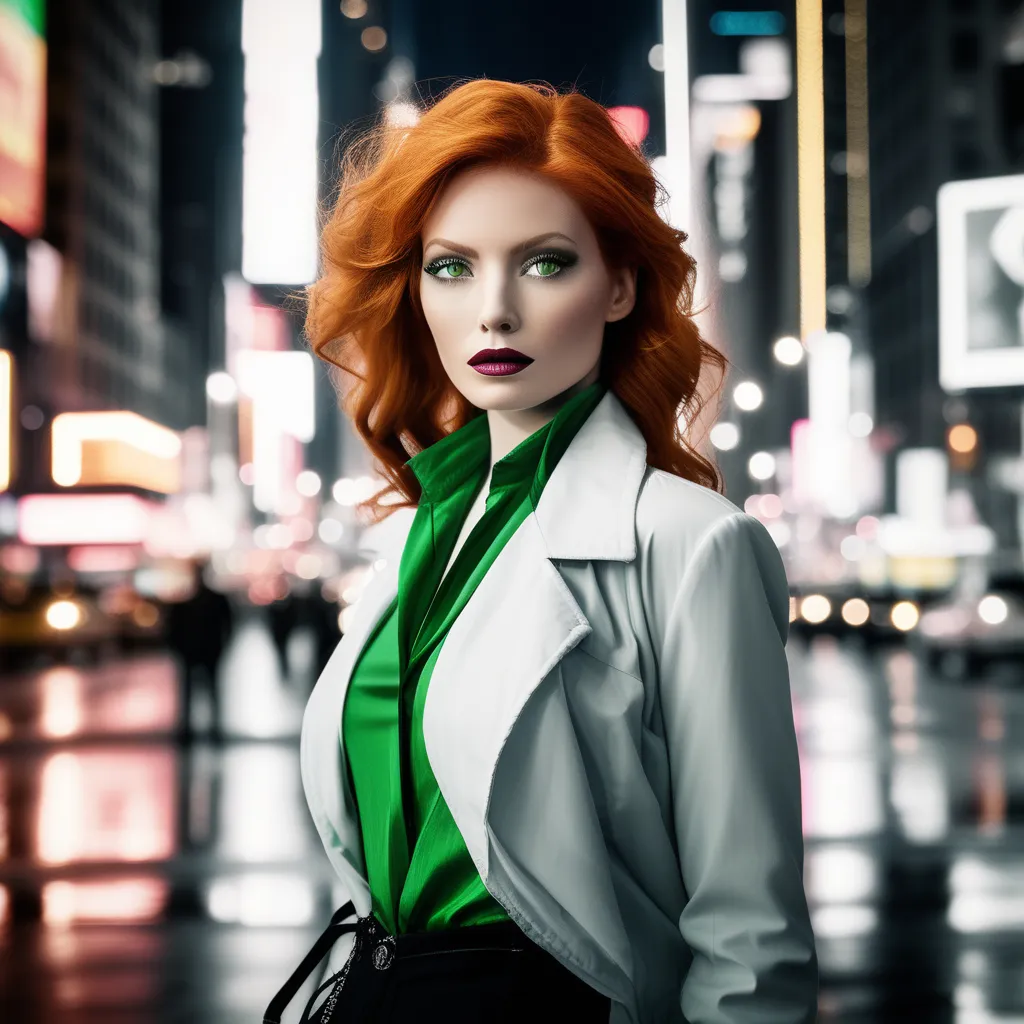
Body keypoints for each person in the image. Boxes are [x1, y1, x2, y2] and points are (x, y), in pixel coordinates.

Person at [266, 80, 818, 1024]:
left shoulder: (689, 544)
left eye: (545, 263)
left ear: (620, 286)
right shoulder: (414, 538)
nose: (494, 311)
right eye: (452, 267)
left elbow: (750, 937)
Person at [164, 561, 233, 743]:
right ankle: (204, 729)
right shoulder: (210, 600)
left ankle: (196, 730)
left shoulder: (189, 601)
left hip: (200, 651)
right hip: (201, 651)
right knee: (203, 692)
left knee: (195, 692)